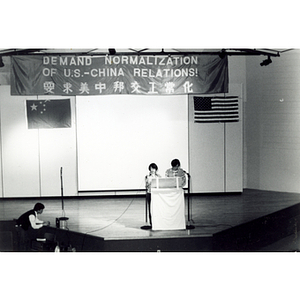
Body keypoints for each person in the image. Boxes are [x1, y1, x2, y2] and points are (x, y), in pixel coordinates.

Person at [145, 163, 161, 227]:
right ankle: (152, 223)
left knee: (157, 208)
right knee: (150, 209)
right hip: (150, 193)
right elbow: (146, 186)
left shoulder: (158, 176)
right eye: (151, 168)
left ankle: (158, 221)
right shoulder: (147, 177)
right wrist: (148, 182)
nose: (152, 170)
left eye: (153, 168)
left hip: (157, 194)